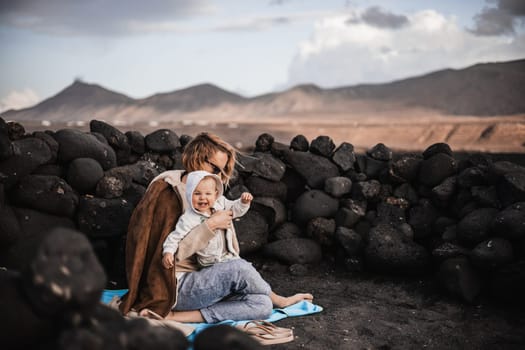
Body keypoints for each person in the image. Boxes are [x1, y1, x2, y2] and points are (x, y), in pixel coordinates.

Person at [118, 132, 313, 323]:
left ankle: (179, 317)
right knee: (239, 269)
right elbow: (167, 255)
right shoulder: (169, 194)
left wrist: (241, 205)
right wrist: (210, 225)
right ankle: (280, 300)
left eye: (222, 171)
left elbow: (233, 212)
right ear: (197, 158)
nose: (219, 175)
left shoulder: (210, 195)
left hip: (207, 278)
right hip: (176, 285)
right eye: (216, 168)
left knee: (262, 304)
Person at [162, 170, 252, 269]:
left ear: (215, 194)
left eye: (208, 193)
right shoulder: (188, 218)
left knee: (243, 268)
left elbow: (236, 210)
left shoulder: (221, 203)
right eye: (197, 194)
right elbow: (175, 237)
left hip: (227, 256)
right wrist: (168, 252)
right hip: (207, 262)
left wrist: (243, 202)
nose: (202, 197)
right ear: (189, 194)